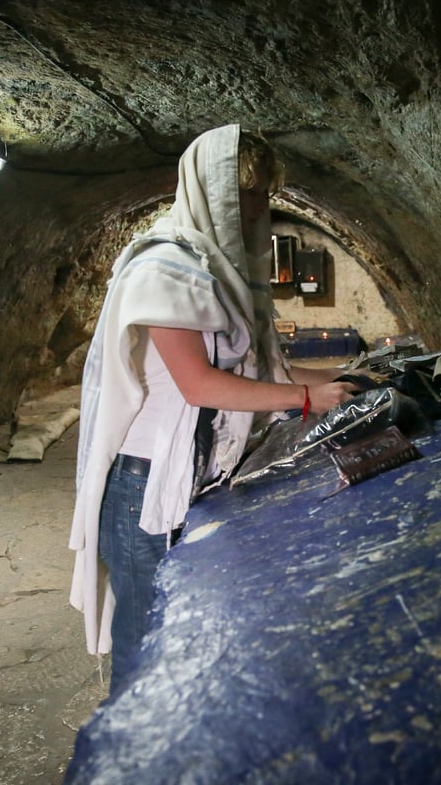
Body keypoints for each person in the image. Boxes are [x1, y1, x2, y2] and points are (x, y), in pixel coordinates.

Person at [68, 124, 358, 694]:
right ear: (211, 193)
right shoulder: (164, 268)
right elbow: (201, 385)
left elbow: (262, 371)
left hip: (189, 473)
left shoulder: (216, 273)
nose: (256, 213)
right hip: (141, 484)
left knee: (180, 625)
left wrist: (340, 382)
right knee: (148, 637)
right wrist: (305, 398)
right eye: (246, 199)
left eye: (262, 200)